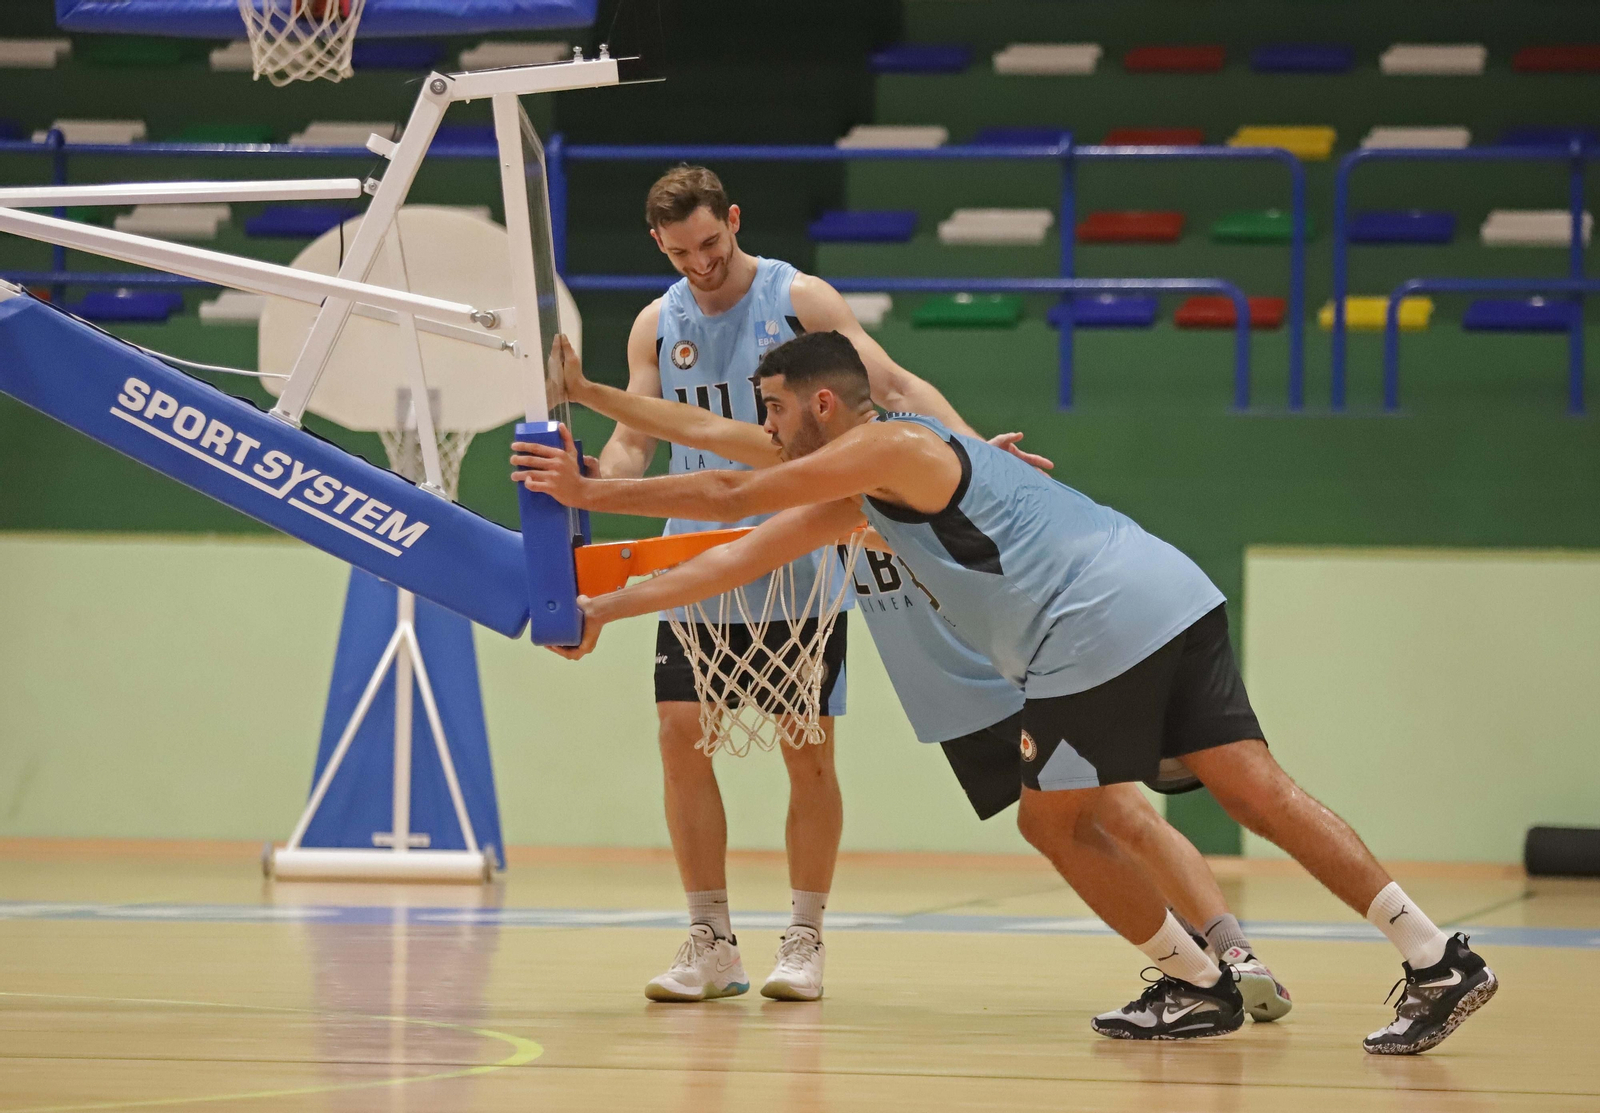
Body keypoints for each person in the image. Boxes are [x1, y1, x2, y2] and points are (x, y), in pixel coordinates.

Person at [512, 330, 1497, 1052]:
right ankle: (1434, 955)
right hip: (1167, 593)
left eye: (771, 411)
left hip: (1092, 630)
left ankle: (1197, 981)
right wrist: (612, 607)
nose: (762, 431)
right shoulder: (869, 486)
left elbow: (730, 492)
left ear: (821, 405)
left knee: (1053, 823)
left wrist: (588, 492)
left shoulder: (893, 443)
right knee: (1256, 793)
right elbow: (728, 555)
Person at [588, 166, 1049, 1005]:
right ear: (659, 243)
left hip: (798, 553)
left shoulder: (799, 297)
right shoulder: (658, 323)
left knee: (808, 750)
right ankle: (711, 939)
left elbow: (897, 387)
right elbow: (634, 440)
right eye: (680, 250)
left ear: (734, 218)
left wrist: (977, 453)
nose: (700, 262)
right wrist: (598, 474)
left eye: (711, 243)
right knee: (677, 732)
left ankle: (804, 938)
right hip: (697, 556)